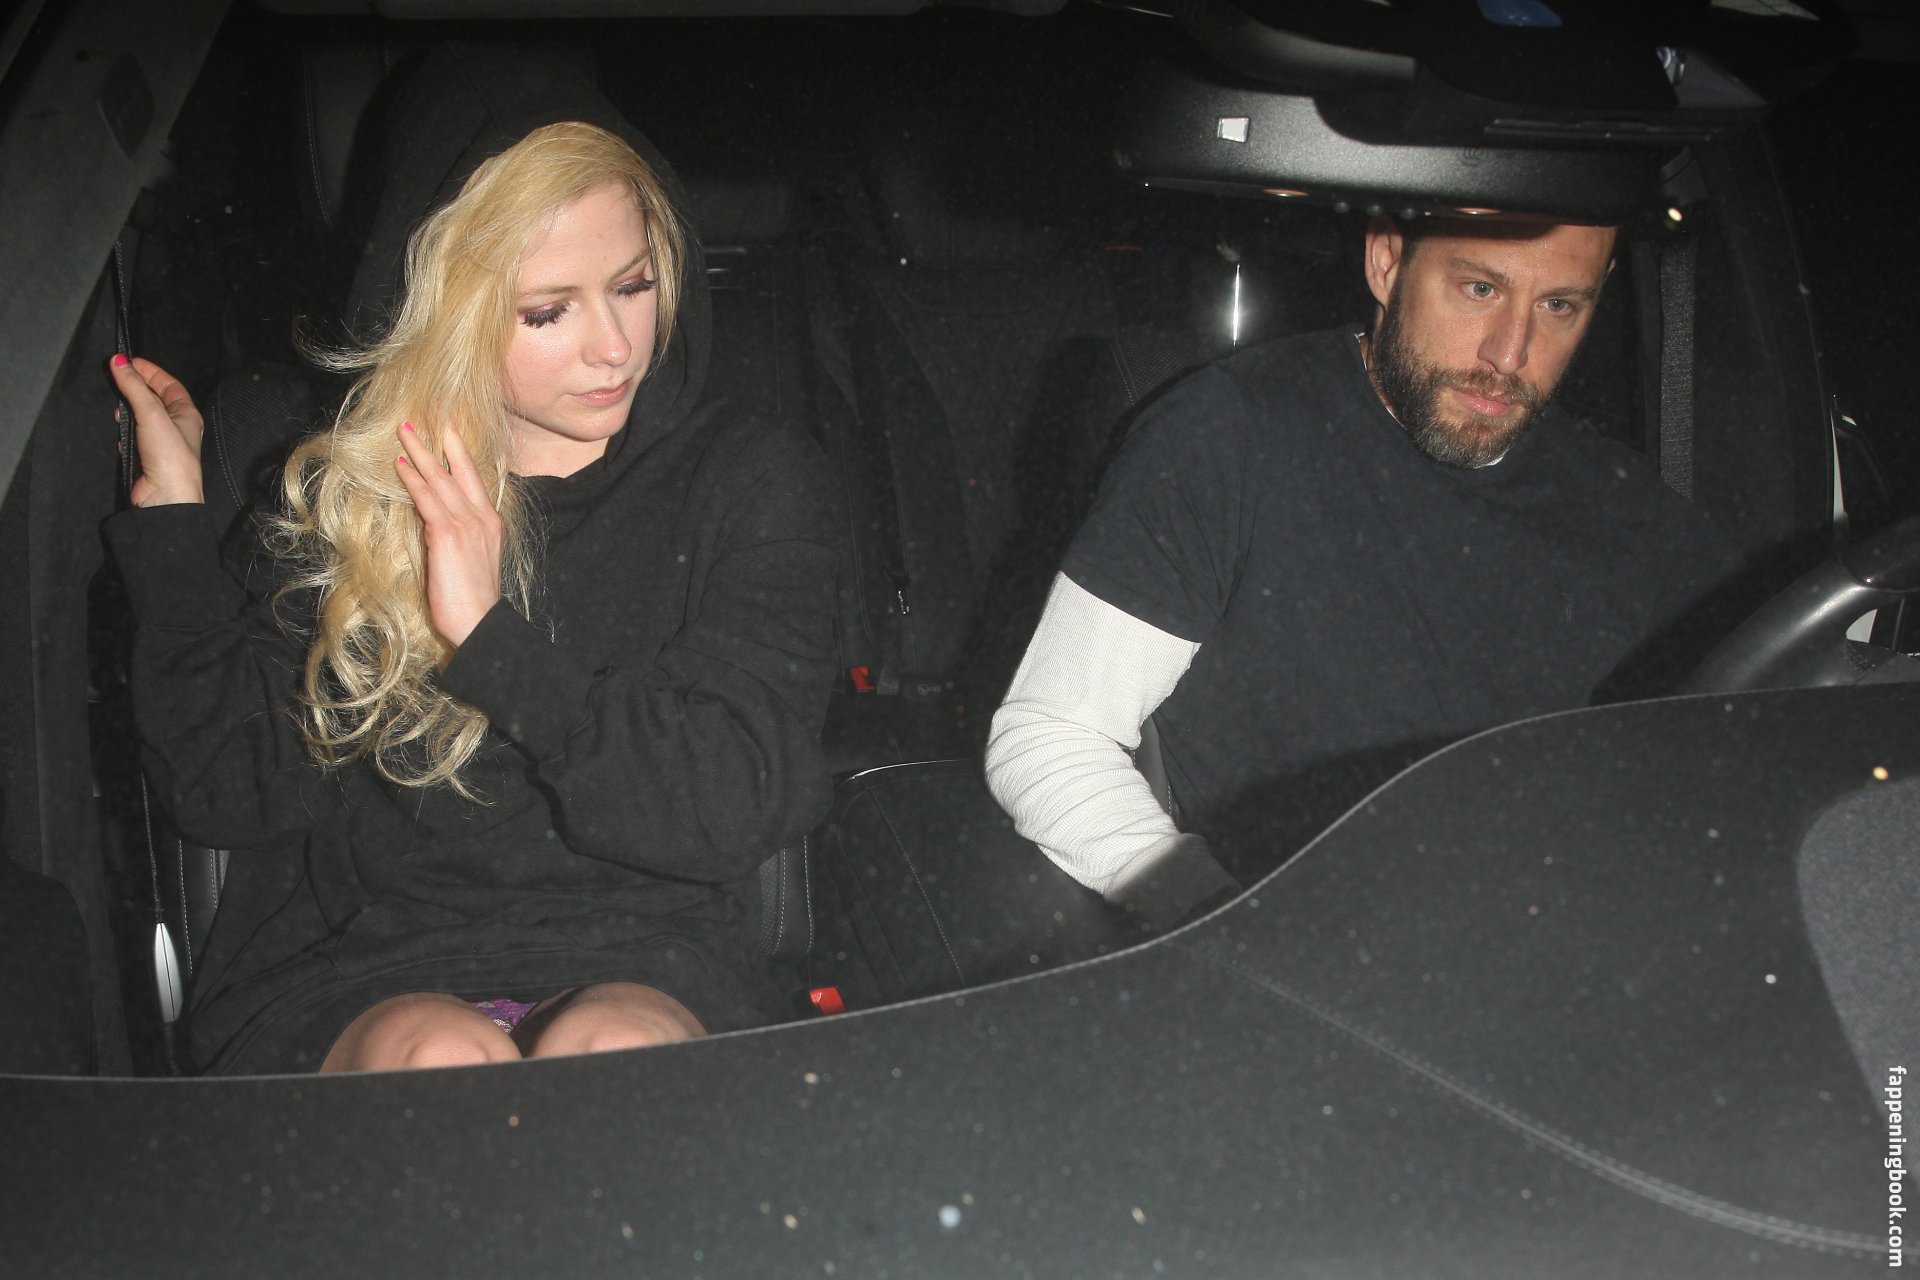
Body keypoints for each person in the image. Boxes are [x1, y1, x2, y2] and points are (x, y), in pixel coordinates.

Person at [104, 56, 837, 1074]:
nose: (615, 347)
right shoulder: (352, 493)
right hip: (364, 960)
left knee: (611, 1049)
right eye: (548, 311)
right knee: (439, 1057)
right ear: (446, 308)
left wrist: (492, 642)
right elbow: (228, 793)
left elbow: (733, 804)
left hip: (648, 949)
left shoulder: (747, 479)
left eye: (634, 286)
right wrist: (176, 531)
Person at [985, 215, 1742, 928]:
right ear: (1386, 261)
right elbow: (1051, 735)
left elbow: (1748, 748)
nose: (1510, 354)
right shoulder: (1231, 435)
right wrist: (1224, 919)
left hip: (1572, 944)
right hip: (1326, 956)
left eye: (1559, 306)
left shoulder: (1632, 512)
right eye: (1480, 288)